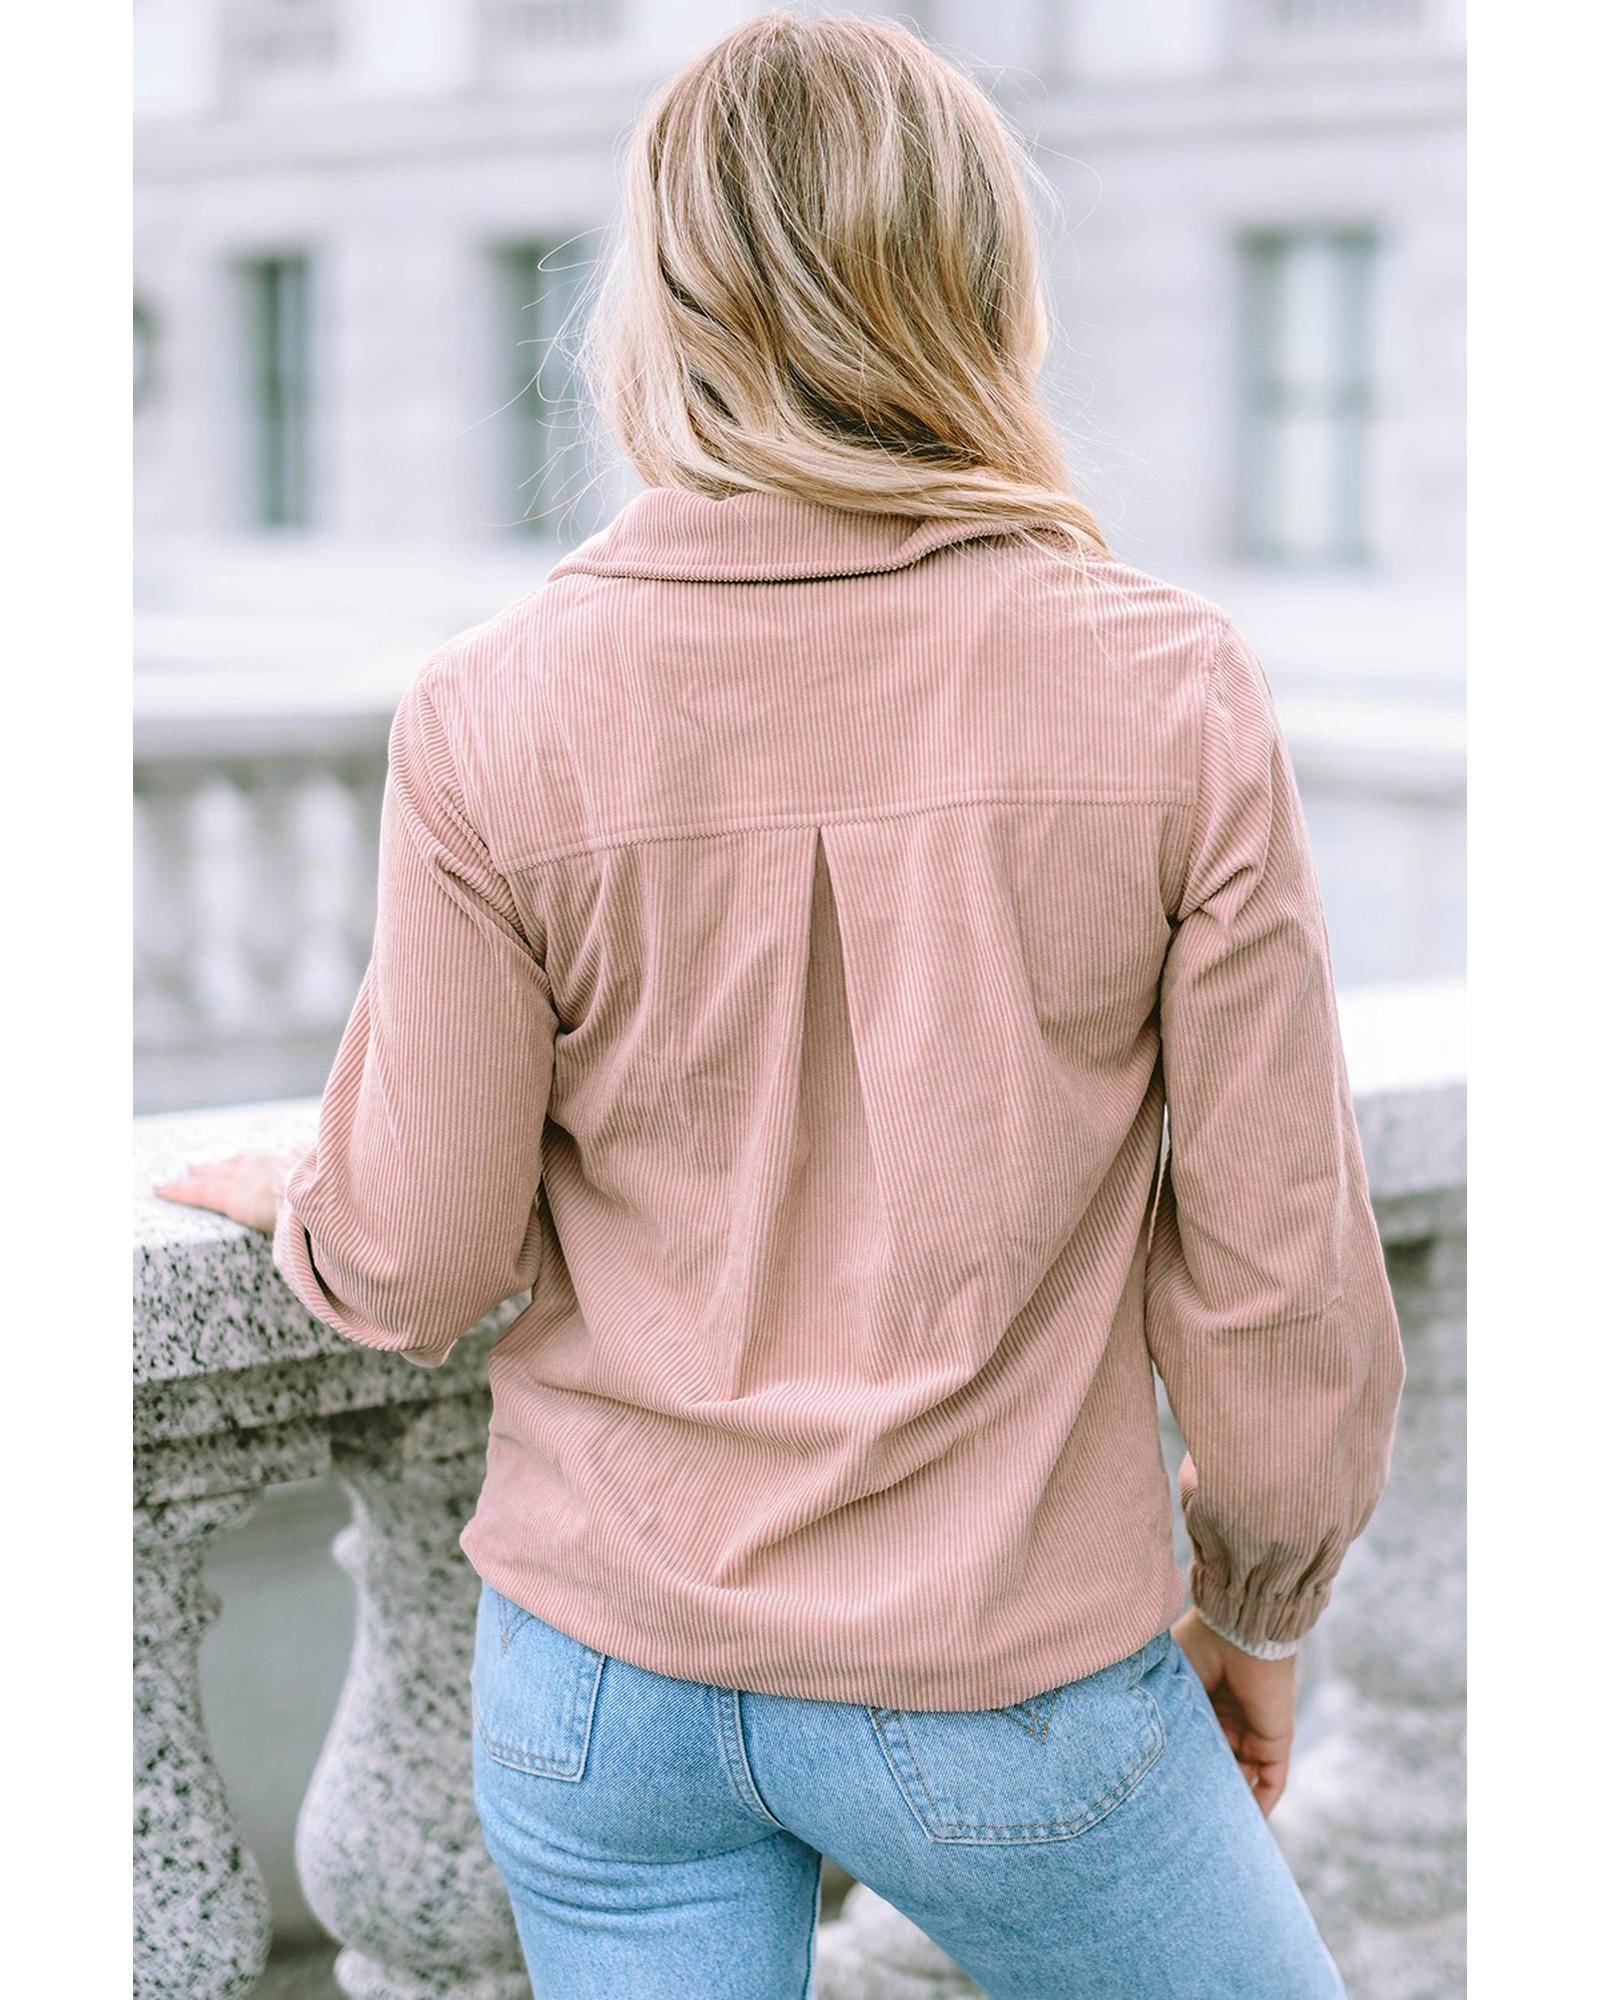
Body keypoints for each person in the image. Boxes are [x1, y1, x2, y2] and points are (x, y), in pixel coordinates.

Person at [154, 10, 1405, 1996]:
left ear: (663, 310)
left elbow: (416, 1259)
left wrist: (306, 1189)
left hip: (605, 1680)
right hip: (1004, 1684)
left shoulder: (492, 711)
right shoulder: (1167, 690)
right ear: (981, 289)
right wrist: (1256, 1602)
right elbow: (1276, 1280)